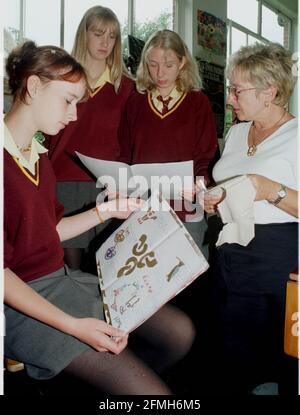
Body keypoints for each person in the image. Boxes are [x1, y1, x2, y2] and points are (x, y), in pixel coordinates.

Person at [4, 41, 196, 395]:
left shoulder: (37, 155)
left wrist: (105, 210)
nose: (74, 114)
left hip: (62, 282)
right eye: (68, 100)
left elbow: (48, 233)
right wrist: (74, 327)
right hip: (22, 304)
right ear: (32, 87)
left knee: (179, 333)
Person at [203, 42, 298, 394]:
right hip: (231, 254)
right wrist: (214, 197)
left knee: (285, 362)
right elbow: (231, 183)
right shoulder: (238, 132)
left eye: (236, 90)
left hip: (280, 262)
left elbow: (260, 188)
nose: (229, 99)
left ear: (269, 92)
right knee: (232, 360)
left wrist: (269, 188)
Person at [47, 6, 135, 270]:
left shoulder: (126, 87)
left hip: (108, 183)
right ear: (84, 33)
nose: (105, 43)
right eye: (98, 34)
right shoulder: (62, 78)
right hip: (64, 179)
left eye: (112, 36)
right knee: (70, 267)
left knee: (104, 264)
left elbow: (129, 140)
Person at [119, 29, 218, 258]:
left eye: (169, 65)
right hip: (144, 204)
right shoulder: (135, 103)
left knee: (187, 277)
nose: (160, 73)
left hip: (186, 205)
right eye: (153, 64)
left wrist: (200, 184)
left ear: (182, 62)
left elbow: (206, 155)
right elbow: (125, 154)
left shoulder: (197, 102)